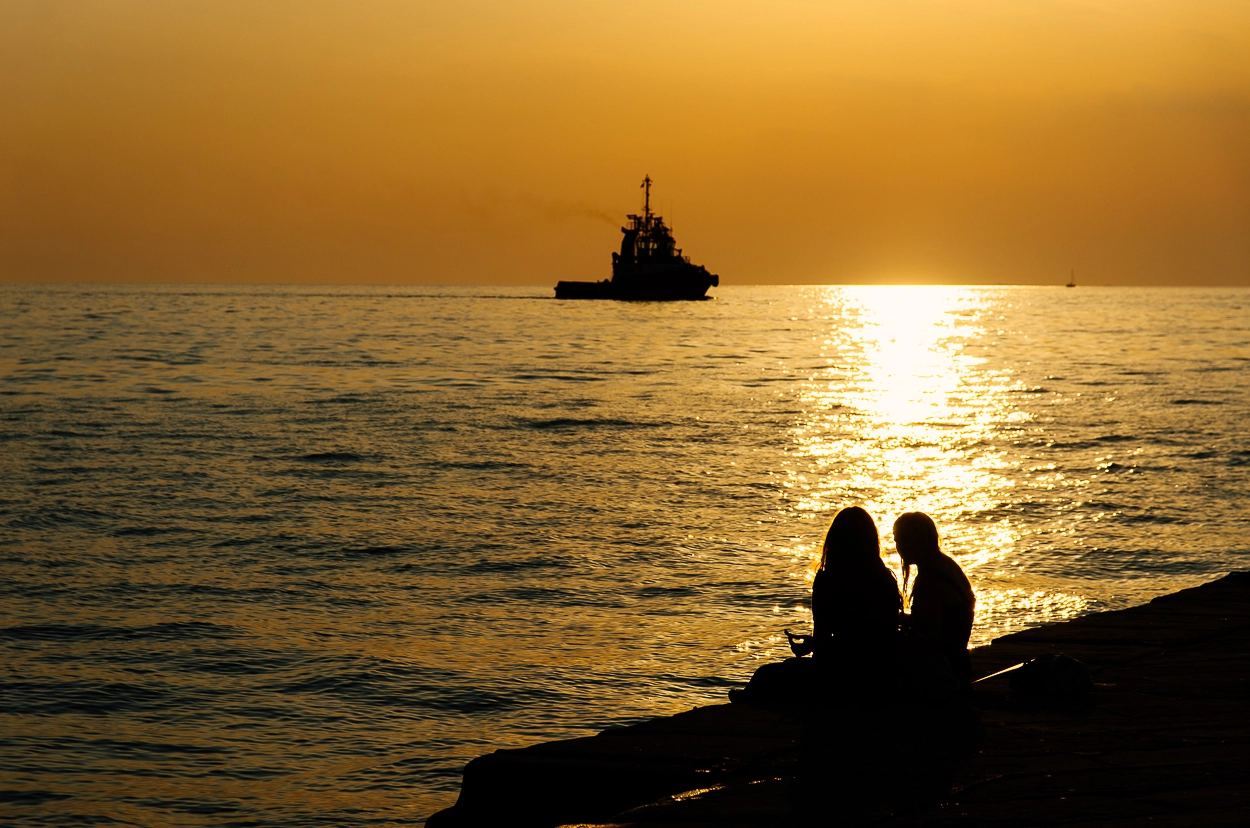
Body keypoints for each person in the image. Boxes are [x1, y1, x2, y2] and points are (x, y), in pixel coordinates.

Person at [788, 507, 903, 691]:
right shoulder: (884, 578)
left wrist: (812, 647)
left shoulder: (828, 582)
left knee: (770, 675)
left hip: (843, 674)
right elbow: (876, 637)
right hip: (882, 672)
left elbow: (825, 643)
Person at [893, 512, 975, 688]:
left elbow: (930, 637)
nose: (900, 546)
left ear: (921, 540)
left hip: (944, 671)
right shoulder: (946, 565)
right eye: (897, 540)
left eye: (905, 539)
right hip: (958, 663)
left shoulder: (931, 579)